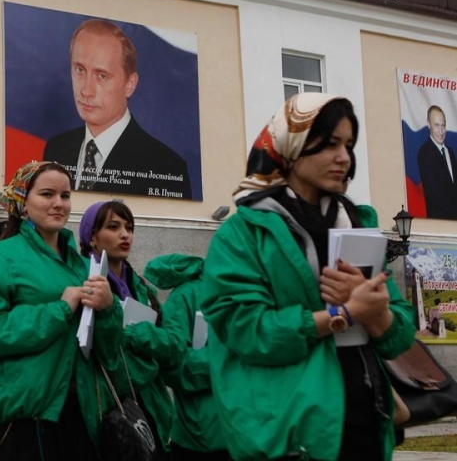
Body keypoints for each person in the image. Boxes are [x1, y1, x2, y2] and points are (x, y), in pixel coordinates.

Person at [200, 94, 415, 460]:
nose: (344, 157)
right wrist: (343, 314)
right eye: (330, 143)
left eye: (348, 145)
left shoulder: (357, 224)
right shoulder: (242, 234)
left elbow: (399, 336)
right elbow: (246, 330)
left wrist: (377, 312)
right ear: (293, 145)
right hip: (288, 432)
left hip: (364, 418)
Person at [0, 161, 123, 460]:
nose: (58, 204)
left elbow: (109, 351)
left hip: (84, 410)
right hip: (29, 415)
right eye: (47, 194)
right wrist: (60, 309)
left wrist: (108, 309)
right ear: (23, 203)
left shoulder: (81, 264)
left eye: (65, 196)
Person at [42, 19, 192, 199]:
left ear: (130, 84)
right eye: (80, 70)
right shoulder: (55, 148)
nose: (86, 90)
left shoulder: (166, 166)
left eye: (102, 75)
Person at [78, 200, 173, 456]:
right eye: (113, 226)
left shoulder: (143, 289)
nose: (125, 234)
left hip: (150, 406)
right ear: (92, 238)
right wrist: (145, 352)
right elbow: (105, 357)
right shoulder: (83, 284)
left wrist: (137, 341)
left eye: (129, 228)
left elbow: (169, 346)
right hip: (107, 409)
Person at [139, 254, 231, 461]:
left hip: (249, 434)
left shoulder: (252, 295)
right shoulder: (187, 295)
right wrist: (227, 361)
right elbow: (172, 363)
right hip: (204, 438)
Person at [416, 105, 457, 219]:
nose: (441, 131)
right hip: (438, 224)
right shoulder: (424, 153)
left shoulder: (451, 153)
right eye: (437, 125)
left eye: (443, 126)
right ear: (428, 124)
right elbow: (435, 194)